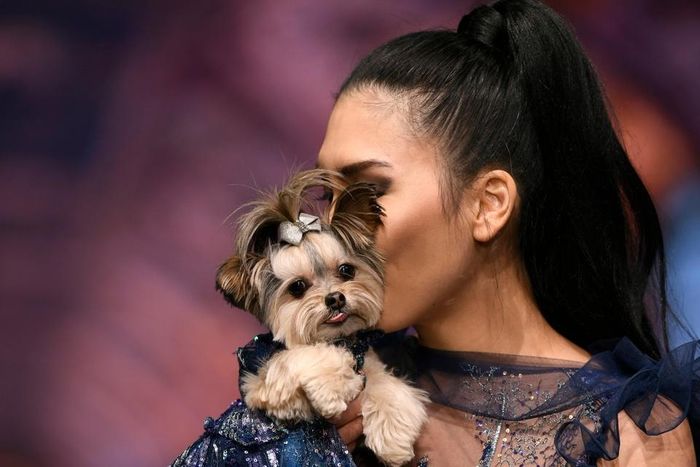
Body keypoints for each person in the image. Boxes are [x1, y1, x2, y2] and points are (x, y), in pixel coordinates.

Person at [316, 0, 699, 465]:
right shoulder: (327, 398)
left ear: (489, 204)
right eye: (326, 196)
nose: (332, 229)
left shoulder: (630, 437)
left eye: (369, 190)